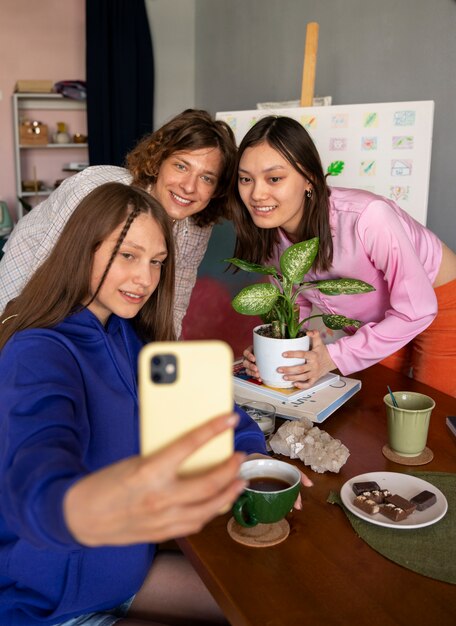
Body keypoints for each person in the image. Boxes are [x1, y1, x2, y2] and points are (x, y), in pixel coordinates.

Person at [0, 182, 286, 626]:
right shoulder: (39, 351)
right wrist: (81, 506)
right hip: (50, 607)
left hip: (119, 572)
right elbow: (36, 466)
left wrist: (252, 461)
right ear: (82, 249)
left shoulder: (126, 335)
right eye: (127, 255)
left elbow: (209, 412)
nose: (146, 279)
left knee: (267, 605)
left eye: (156, 262)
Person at [230, 115, 456, 397]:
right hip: (374, 322)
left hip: (438, 303)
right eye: (245, 179)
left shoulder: (368, 217)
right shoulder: (270, 231)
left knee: (433, 411)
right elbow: (292, 302)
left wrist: (334, 357)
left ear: (309, 178)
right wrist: (273, 343)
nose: (257, 194)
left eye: (274, 178)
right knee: (372, 405)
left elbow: (418, 309)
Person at [0, 109, 237, 338]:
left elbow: (174, 302)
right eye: (181, 166)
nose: (189, 186)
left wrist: (165, 361)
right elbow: (50, 276)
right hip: (31, 271)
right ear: (157, 162)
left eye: (206, 178)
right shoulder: (95, 193)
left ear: (217, 190)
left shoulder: (195, 224)